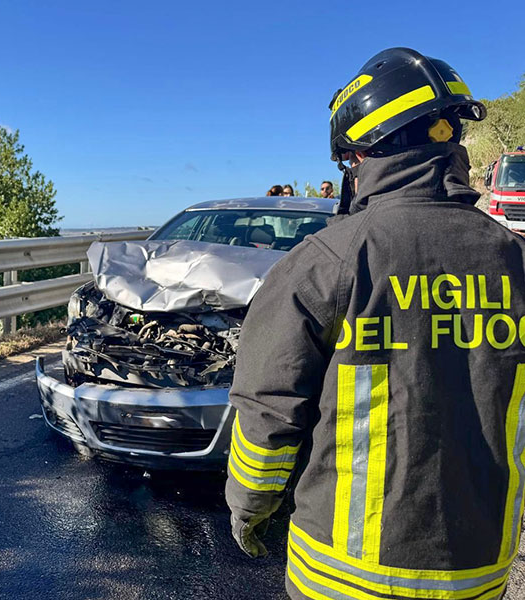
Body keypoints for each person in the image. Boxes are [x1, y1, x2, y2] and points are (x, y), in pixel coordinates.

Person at [225, 47, 525, 600]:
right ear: (451, 139)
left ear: (363, 155)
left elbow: (267, 412)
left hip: (342, 575)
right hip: (481, 567)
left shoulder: (324, 262)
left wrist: (249, 512)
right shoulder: (514, 259)